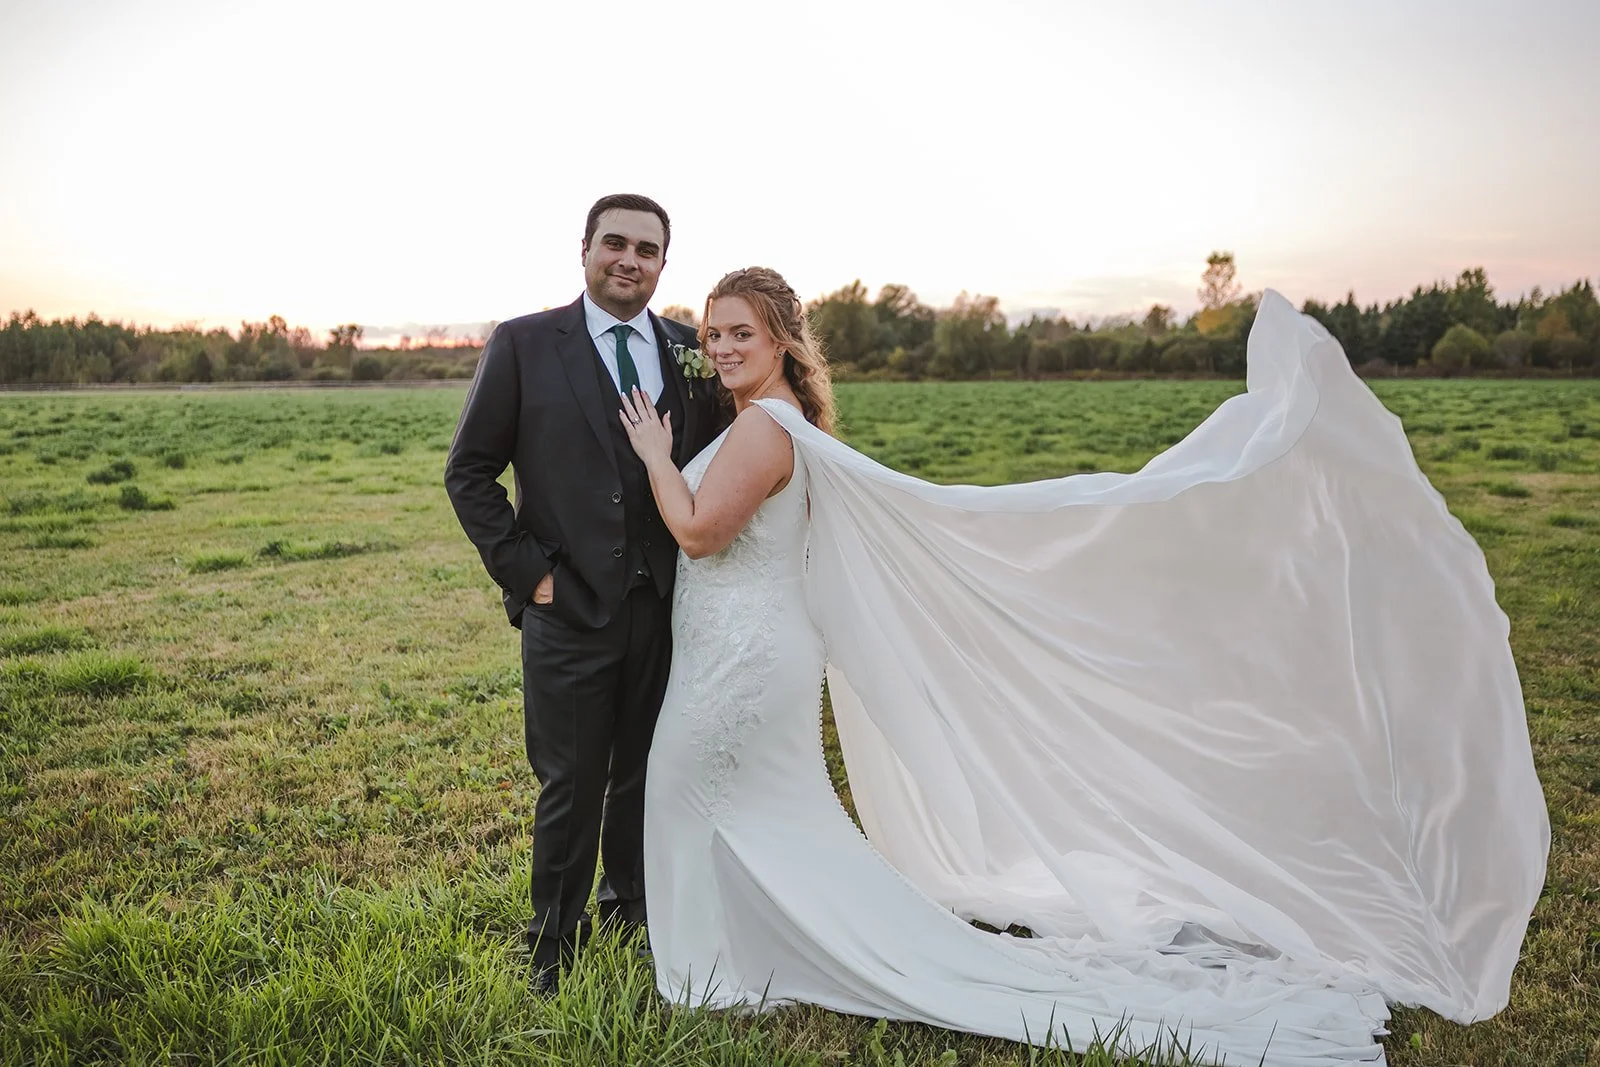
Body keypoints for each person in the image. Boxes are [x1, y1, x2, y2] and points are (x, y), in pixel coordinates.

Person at [616, 266, 1549, 1065]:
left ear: (781, 339)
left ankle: (722, 965)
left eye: (741, 331)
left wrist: (659, 456)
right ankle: (745, 952)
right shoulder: (782, 419)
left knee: (689, 790)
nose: (722, 345)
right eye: (712, 332)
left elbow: (699, 534)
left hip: (740, 658)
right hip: (756, 647)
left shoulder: (762, 429)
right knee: (760, 809)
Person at [444, 194, 724, 994]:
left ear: (664, 263)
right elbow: (468, 471)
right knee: (570, 781)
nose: (629, 260)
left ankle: (631, 909)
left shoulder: (688, 348)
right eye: (615, 243)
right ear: (585, 249)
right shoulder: (526, 344)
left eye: (647, 249)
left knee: (643, 770)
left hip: (668, 604)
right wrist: (530, 573)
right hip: (565, 606)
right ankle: (552, 944)